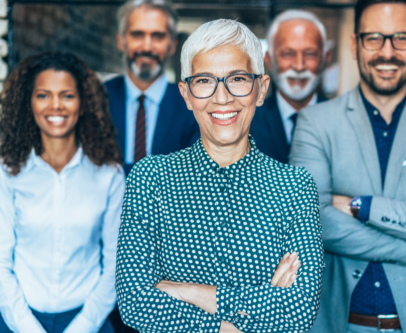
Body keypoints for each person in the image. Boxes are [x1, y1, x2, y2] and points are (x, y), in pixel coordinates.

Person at [115, 19, 324, 332]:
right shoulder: (151, 179)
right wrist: (230, 325)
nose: (222, 97)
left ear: (261, 89)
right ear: (186, 94)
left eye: (238, 79)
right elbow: (134, 303)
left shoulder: (294, 187)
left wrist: (185, 291)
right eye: (204, 81)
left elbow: (298, 312)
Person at [289, 0, 406, 332]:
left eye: (401, 38)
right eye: (374, 38)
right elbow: (312, 220)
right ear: (355, 45)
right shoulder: (315, 122)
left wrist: (364, 207)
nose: (387, 52)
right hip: (341, 323)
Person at [0, 52, 125, 333]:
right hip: (18, 318)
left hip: (88, 319)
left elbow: (115, 266)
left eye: (67, 95)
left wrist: (82, 327)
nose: (55, 105)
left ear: (83, 104)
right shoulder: (7, 174)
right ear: (28, 103)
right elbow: (0, 265)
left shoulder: (110, 176)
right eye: (43, 95)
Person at [105, 0, 199, 175]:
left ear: (172, 44)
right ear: (120, 40)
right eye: (137, 34)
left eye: (158, 36)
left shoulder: (194, 106)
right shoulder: (97, 98)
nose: (147, 47)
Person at [250, 10, 331, 164]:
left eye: (310, 54)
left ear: (325, 60)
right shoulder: (247, 121)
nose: (299, 66)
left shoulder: (343, 122)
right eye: (288, 54)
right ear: (269, 60)